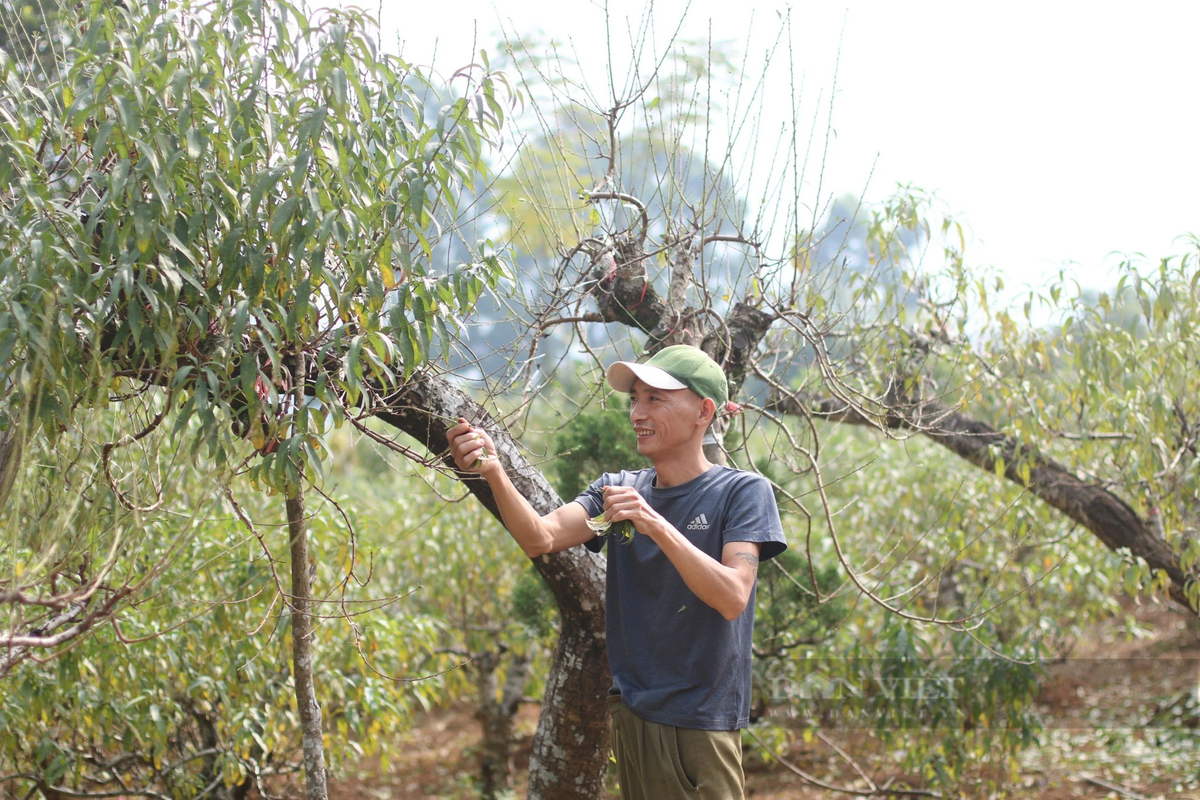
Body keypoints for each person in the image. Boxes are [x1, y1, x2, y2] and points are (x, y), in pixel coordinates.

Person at [447, 344, 787, 799]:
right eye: (634, 400)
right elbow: (540, 537)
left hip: (701, 721)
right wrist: (493, 471)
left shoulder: (742, 492)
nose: (637, 414)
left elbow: (732, 596)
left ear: (704, 411)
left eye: (655, 399)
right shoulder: (618, 489)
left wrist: (653, 523)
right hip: (632, 713)